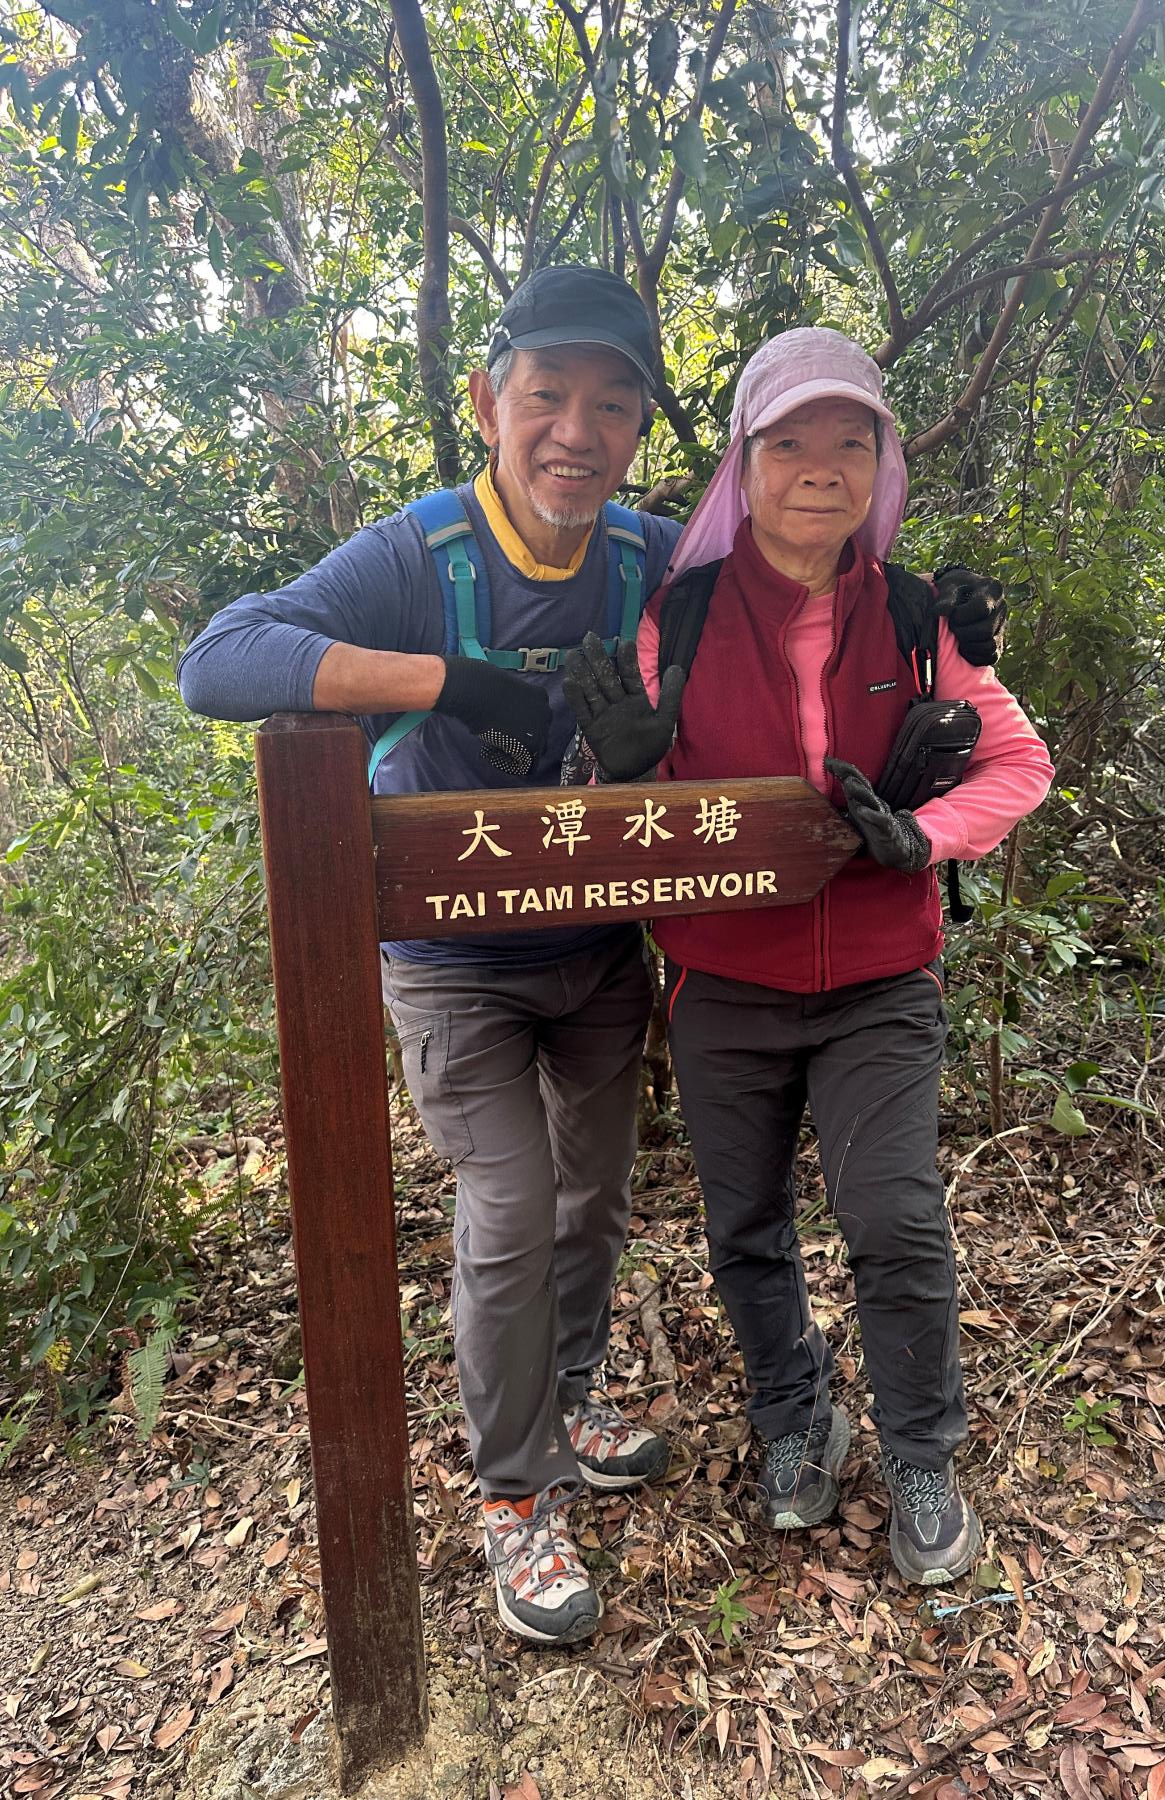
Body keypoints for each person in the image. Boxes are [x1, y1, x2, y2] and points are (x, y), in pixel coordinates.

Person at [178, 269, 1006, 1643]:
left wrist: (953, 640)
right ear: (486, 401)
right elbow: (220, 660)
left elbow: (789, 564)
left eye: (612, 406)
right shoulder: (420, 558)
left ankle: (566, 1395)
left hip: (603, 953)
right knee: (510, 1213)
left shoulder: (647, 557)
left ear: (638, 429)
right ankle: (516, 1494)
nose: (577, 430)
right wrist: (448, 682)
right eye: (547, 396)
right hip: (454, 962)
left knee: (591, 1206)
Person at [563, 327, 1054, 1586]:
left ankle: (924, 1455)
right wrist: (623, 777)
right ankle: (795, 1415)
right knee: (744, 1224)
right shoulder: (681, 614)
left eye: (850, 441)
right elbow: (629, 820)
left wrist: (923, 837)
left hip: (881, 981)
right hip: (723, 982)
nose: (820, 468)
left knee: (894, 1218)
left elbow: (1018, 763)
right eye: (789, 442)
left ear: (882, 464)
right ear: (746, 462)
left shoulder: (917, 616)